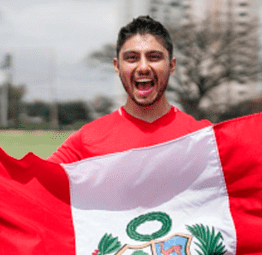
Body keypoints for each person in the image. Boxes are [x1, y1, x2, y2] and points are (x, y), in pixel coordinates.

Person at [48, 15, 210, 164]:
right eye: (132, 58)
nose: (143, 67)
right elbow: (38, 184)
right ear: (117, 66)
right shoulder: (87, 140)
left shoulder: (204, 138)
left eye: (154, 57)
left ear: (171, 65)